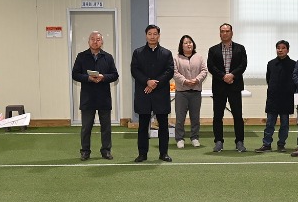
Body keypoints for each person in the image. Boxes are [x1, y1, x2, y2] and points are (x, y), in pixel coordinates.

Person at [130, 24, 175, 163]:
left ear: (159, 36)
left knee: (163, 126)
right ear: (146, 36)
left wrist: (155, 83)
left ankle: (163, 153)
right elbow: (134, 70)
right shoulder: (138, 52)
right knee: (143, 126)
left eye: (155, 34)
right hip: (144, 93)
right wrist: (147, 81)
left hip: (160, 93)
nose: (152, 36)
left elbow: (169, 71)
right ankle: (142, 154)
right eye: (150, 34)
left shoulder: (166, 53)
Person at [72, 30, 119, 161]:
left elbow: (115, 75)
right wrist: (88, 78)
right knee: (86, 127)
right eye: (92, 39)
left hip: (104, 98)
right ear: (88, 41)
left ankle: (106, 151)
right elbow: (75, 74)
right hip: (87, 98)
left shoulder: (108, 57)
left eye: (98, 39)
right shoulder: (81, 56)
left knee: (106, 127)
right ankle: (85, 151)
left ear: (102, 42)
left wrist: (103, 77)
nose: (95, 41)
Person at [207, 23, 248, 152]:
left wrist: (232, 75)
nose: (225, 33)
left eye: (227, 31)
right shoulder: (213, 50)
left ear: (232, 33)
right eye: (222, 31)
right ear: (220, 33)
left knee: (238, 115)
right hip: (219, 86)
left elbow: (243, 65)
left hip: (235, 86)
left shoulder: (240, 48)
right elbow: (211, 66)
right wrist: (223, 76)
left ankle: (239, 142)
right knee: (217, 116)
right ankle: (218, 141)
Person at [257, 40, 295, 152]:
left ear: (287, 50)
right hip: (273, 98)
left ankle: (281, 144)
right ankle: (266, 144)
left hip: (286, 98)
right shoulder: (271, 64)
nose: (280, 50)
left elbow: (295, 80)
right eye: (278, 48)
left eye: (283, 48)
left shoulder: (293, 64)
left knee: (284, 124)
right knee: (269, 123)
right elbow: (268, 79)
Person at [173, 34, 207, 148]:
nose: (188, 44)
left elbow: (204, 71)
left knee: (195, 118)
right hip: (181, 92)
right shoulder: (176, 58)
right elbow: (174, 72)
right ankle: (179, 138)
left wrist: (196, 80)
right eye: (186, 43)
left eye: (190, 42)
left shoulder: (199, 57)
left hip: (196, 91)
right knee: (180, 118)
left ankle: (194, 137)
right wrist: (185, 81)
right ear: (181, 45)